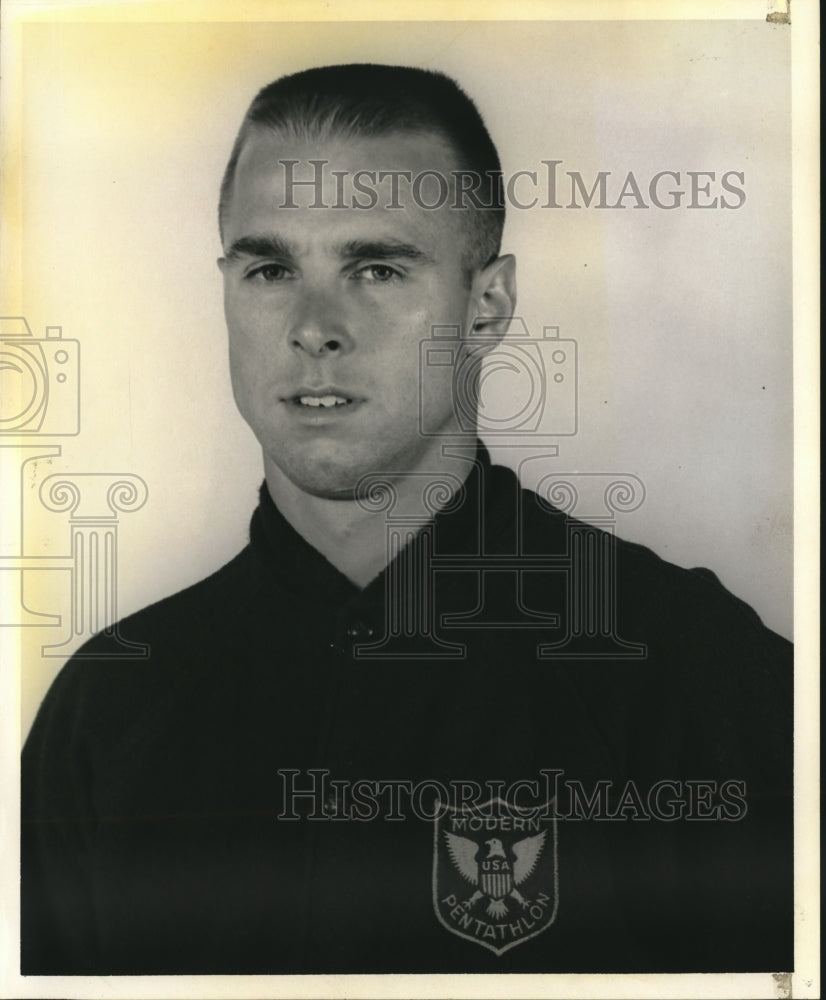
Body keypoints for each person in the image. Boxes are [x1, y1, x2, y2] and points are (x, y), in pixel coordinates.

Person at [21, 63, 792, 976]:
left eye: (376, 267)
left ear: (488, 305)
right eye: (270, 267)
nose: (315, 327)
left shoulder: (692, 679)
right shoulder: (108, 716)